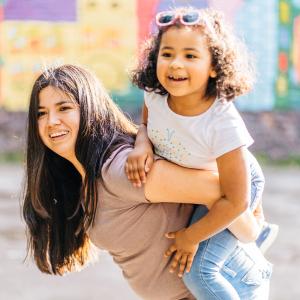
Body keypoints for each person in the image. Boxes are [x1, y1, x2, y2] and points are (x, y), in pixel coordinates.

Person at [22, 64, 271, 300]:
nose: (51, 121)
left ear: (90, 110)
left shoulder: (120, 171)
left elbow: (222, 190)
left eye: (64, 108)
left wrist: (252, 230)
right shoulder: (85, 178)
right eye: (42, 113)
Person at [126, 7, 276, 299]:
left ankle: (250, 237)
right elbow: (145, 124)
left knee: (199, 272)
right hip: (200, 182)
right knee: (232, 239)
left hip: (233, 186)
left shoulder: (222, 122)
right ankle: (251, 240)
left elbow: (234, 200)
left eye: (190, 56)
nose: (176, 64)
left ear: (214, 66)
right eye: (167, 54)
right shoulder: (155, 95)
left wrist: (190, 237)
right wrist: (141, 143)